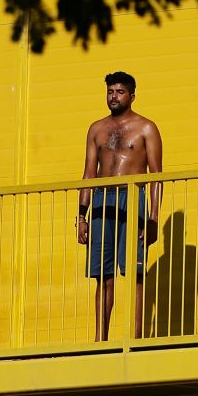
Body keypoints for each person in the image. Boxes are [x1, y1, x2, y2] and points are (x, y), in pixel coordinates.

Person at [77, 71, 164, 342]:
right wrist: (81, 216)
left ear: (132, 96)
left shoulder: (146, 128)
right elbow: (89, 173)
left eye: (120, 92)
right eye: (110, 92)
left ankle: (135, 338)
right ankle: (100, 339)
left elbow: (156, 176)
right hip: (103, 200)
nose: (114, 97)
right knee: (103, 275)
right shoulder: (97, 129)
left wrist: (152, 219)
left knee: (136, 273)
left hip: (133, 197)